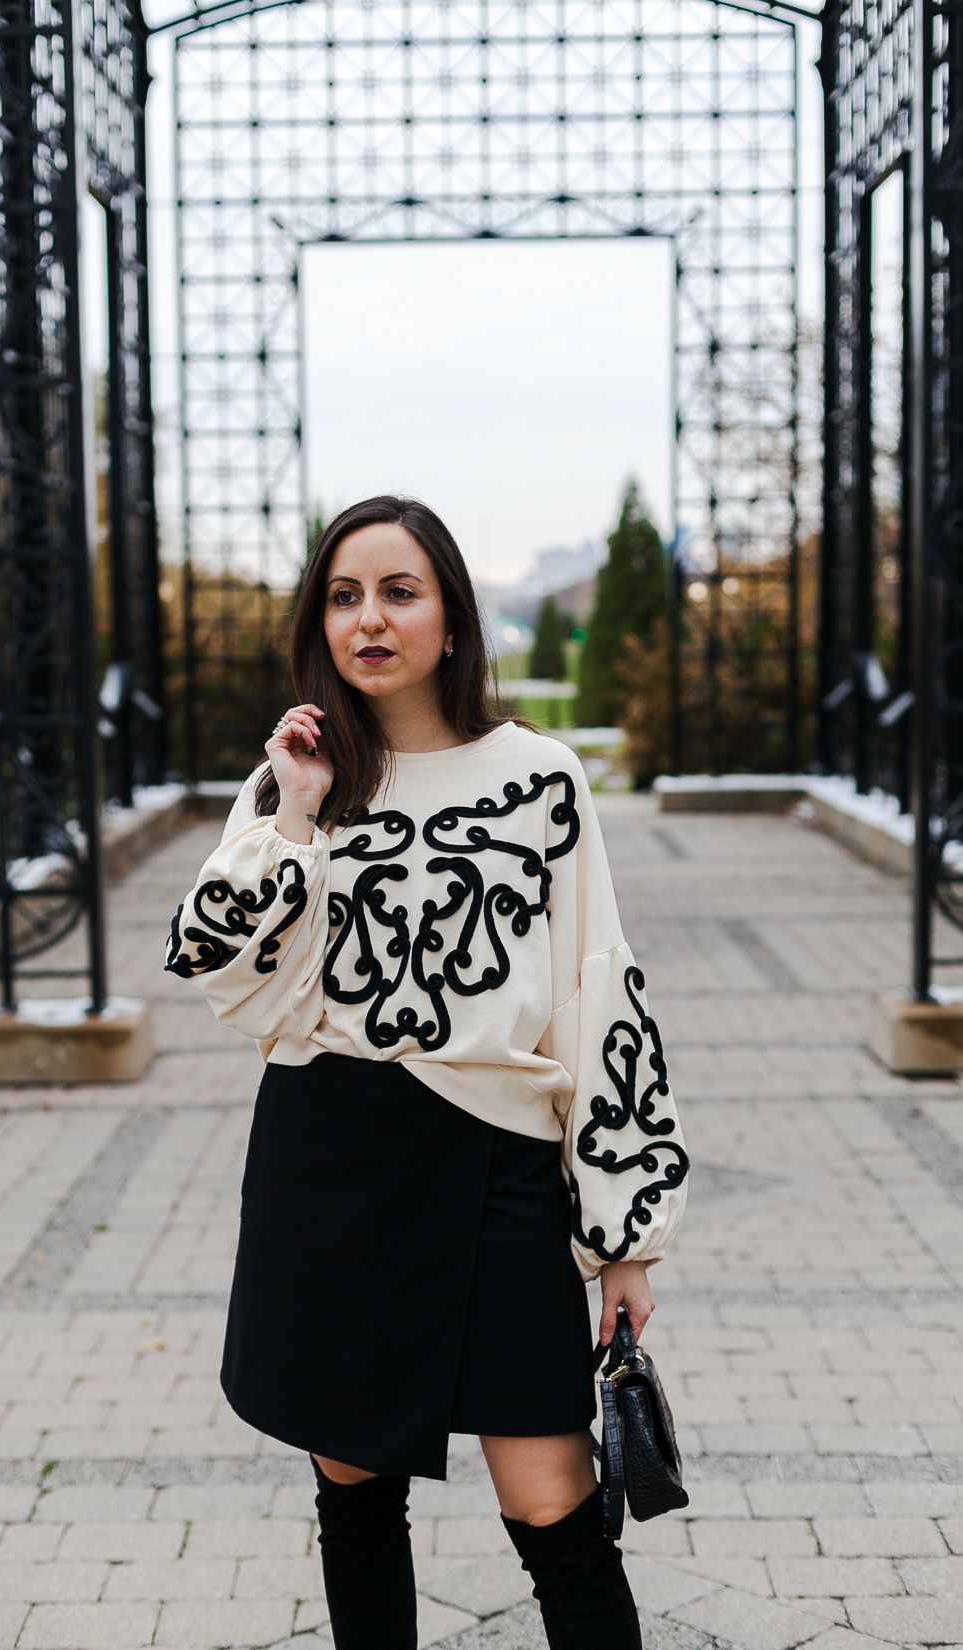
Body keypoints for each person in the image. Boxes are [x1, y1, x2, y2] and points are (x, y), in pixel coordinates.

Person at [166, 496, 689, 1649]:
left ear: (450, 620)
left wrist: (624, 1237)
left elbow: (596, 994)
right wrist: (294, 818)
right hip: (329, 1156)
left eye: (399, 592)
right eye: (344, 595)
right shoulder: (296, 776)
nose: (369, 619)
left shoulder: (540, 779)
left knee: (553, 1502)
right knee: (352, 1492)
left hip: (494, 1160)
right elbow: (213, 966)